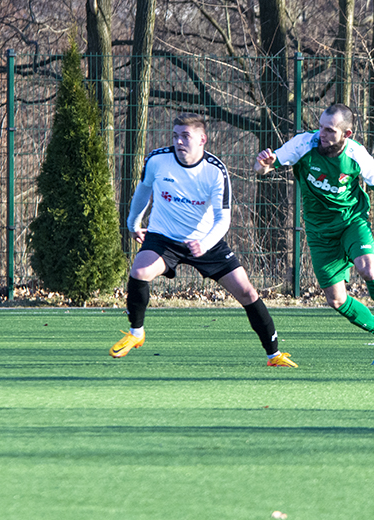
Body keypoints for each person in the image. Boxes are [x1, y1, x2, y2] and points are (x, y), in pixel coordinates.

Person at [109, 112, 297, 367]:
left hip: (206, 241)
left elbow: (224, 220)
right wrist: (133, 225)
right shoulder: (157, 161)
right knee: (140, 271)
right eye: (175, 136)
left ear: (202, 139)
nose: (178, 141)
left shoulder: (215, 171)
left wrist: (205, 243)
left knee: (247, 291)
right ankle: (136, 333)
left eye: (185, 136)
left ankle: (274, 354)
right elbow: (142, 192)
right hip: (164, 237)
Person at [254, 103, 374, 365]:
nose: (321, 134)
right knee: (336, 300)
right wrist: (263, 165)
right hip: (318, 232)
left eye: (329, 130)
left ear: (346, 134)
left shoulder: (357, 155)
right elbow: (264, 169)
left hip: (351, 222)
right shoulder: (304, 144)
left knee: (368, 269)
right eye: (320, 126)